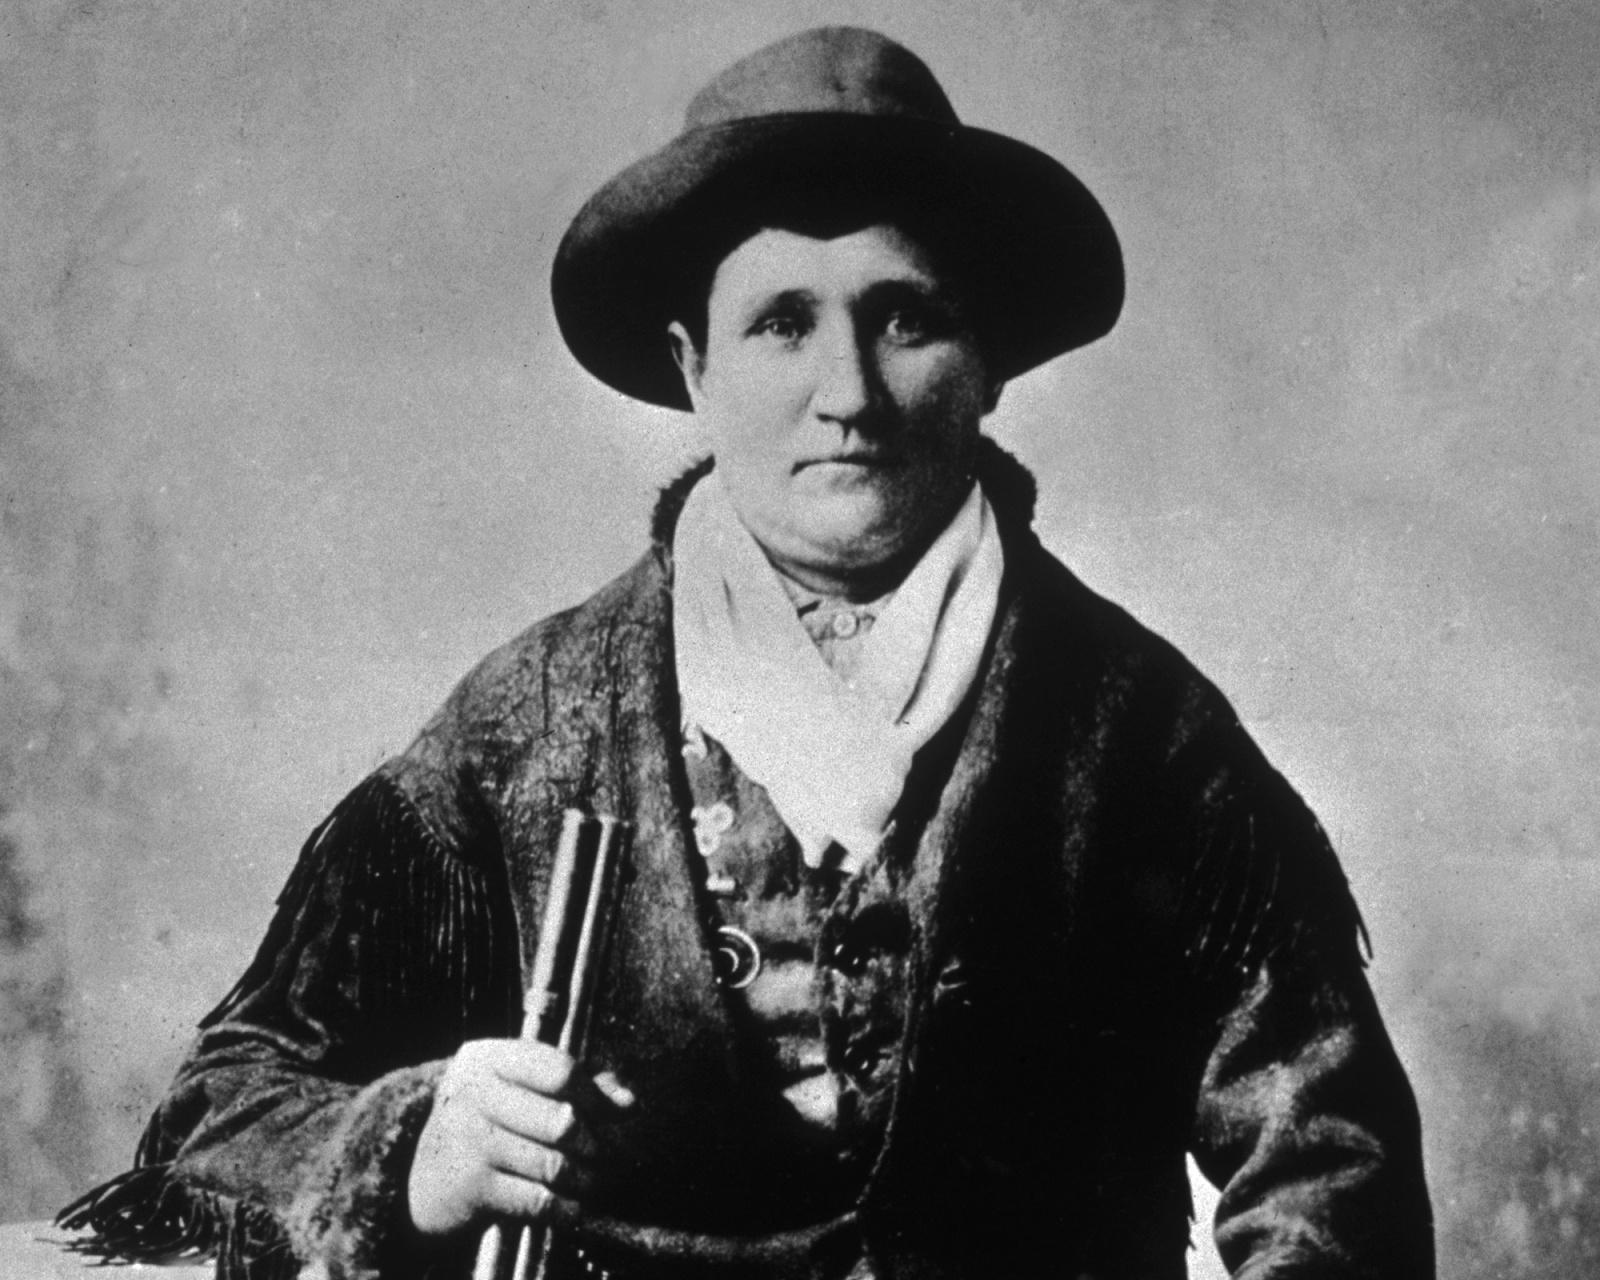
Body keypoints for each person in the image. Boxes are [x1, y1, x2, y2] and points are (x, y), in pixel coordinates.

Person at [61, 26, 1435, 1280]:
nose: (848, 392)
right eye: (783, 323)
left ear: (992, 359)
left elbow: (1332, 1165)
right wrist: (413, 1149)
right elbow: (222, 1108)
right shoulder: (528, 728)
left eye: (907, 317)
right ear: (693, 367)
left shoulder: (1140, 737)